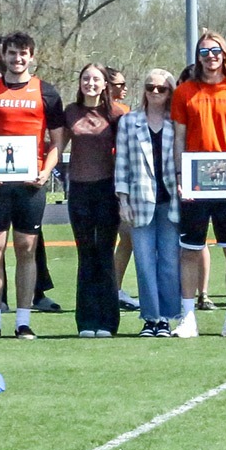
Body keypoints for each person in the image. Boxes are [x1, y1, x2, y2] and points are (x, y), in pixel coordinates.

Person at [0, 30, 68, 340]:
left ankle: (23, 321)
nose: (17, 59)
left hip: (29, 186)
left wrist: (46, 171)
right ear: (3, 55)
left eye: (23, 53)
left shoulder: (47, 93)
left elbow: (57, 141)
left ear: (31, 57)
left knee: (26, 250)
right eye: (12, 53)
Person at [169, 29, 226, 338]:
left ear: (225, 54)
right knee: (190, 250)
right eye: (204, 52)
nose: (210, 57)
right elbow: (179, 137)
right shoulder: (184, 92)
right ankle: (188, 317)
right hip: (194, 183)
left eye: (215, 51)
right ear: (198, 57)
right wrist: (180, 176)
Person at [115, 69, 182, 336]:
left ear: (170, 92)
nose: (155, 92)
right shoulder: (129, 122)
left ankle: (166, 318)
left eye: (161, 88)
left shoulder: (177, 122)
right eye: (150, 87)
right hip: (139, 201)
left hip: (171, 201)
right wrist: (123, 200)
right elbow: (121, 164)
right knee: (143, 262)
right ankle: (150, 318)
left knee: (168, 262)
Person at [64, 62, 124, 337]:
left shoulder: (117, 113)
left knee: (105, 254)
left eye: (96, 79)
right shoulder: (70, 112)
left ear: (105, 85)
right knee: (86, 253)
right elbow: (55, 145)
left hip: (107, 190)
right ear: (80, 83)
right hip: (79, 190)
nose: (91, 83)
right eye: (86, 78)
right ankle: (86, 321)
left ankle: (108, 322)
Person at [105, 66, 140, 314]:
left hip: (119, 179)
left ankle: (113, 288)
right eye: (118, 84)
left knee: (126, 239)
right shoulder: (118, 113)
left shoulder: (124, 112)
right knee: (125, 238)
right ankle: (112, 289)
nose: (123, 88)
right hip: (110, 181)